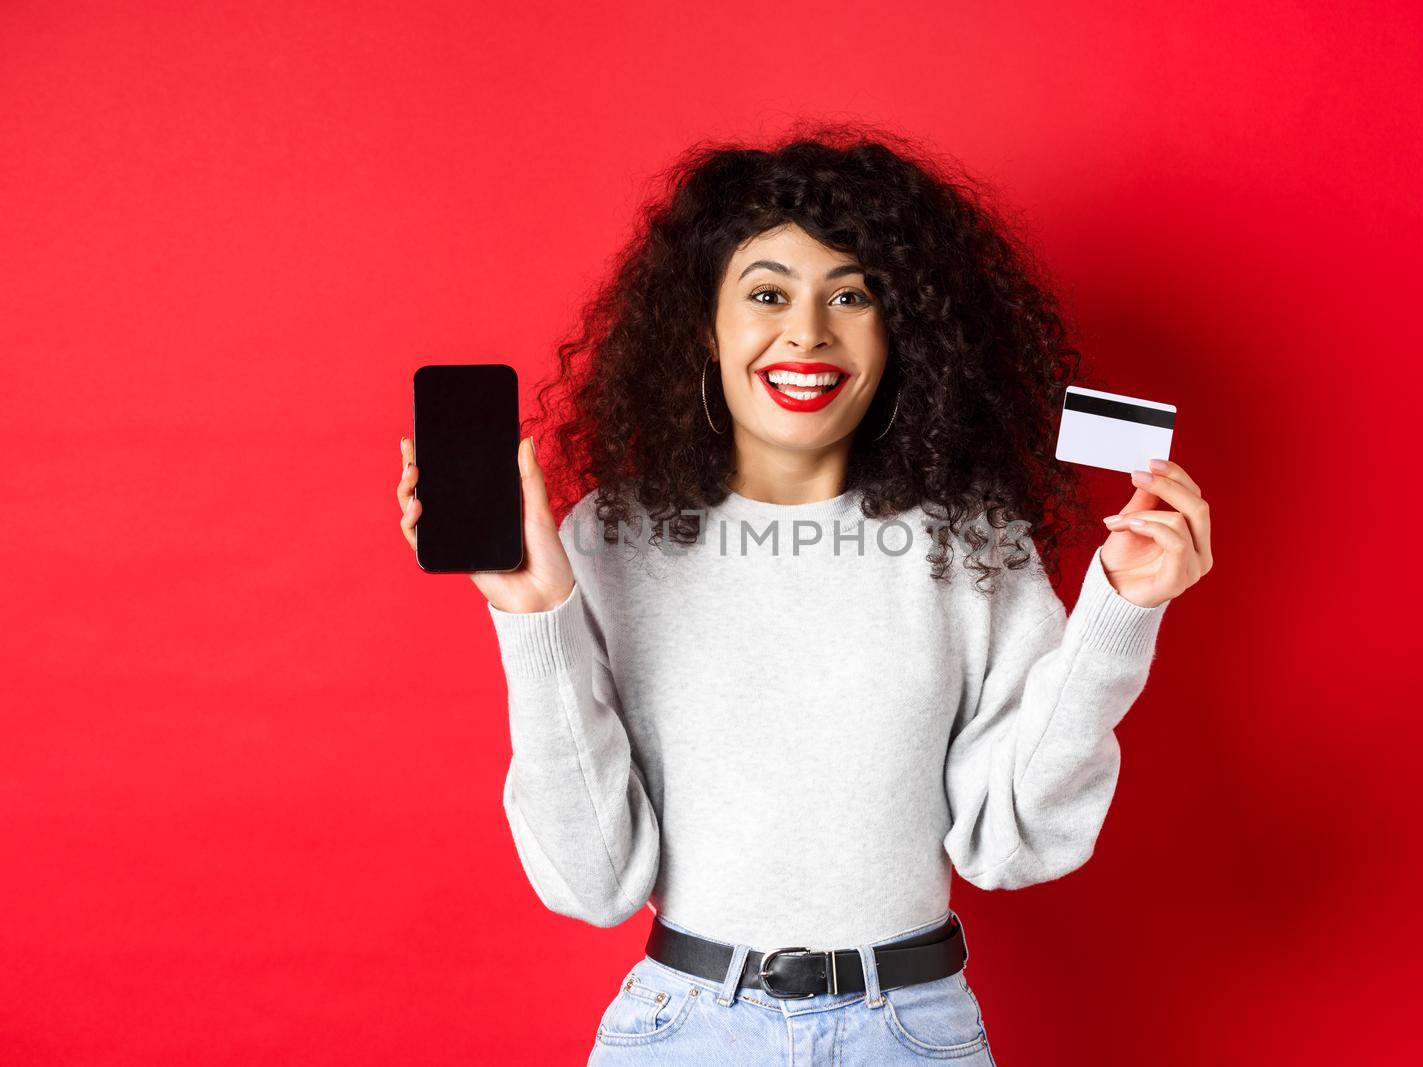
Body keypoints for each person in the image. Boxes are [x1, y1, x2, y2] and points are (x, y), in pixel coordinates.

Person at [395, 123, 1214, 1065]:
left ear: (898, 329)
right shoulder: (608, 542)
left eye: (852, 294)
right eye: (768, 293)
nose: (808, 332)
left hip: (912, 1033)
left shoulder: (969, 544)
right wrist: (534, 611)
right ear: (704, 324)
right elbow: (594, 881)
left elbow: (1014, 844)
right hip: (683, 1033)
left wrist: (1122, 612)